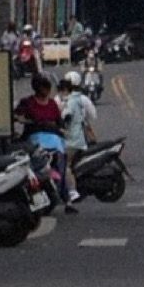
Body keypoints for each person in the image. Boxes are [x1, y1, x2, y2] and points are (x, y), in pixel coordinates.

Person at [16, 70, 70, 205]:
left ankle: (66, 198)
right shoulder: (27, 102)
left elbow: (60, 123)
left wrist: (62, 130)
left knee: (63, 164)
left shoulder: (52, 104)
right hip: (34, 140)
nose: (45, 90)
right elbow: (17, 116)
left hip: (55, 141)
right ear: (37, 87)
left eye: (47, 86)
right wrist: (27, 120)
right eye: (43, 86)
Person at [57, 70, 101, 210]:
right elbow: (93, 116)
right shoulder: (83, 99)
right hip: (81, 137)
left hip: (70, 139)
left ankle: (72, 191)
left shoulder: (62, 100)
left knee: (66, 165)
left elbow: (63, 117)